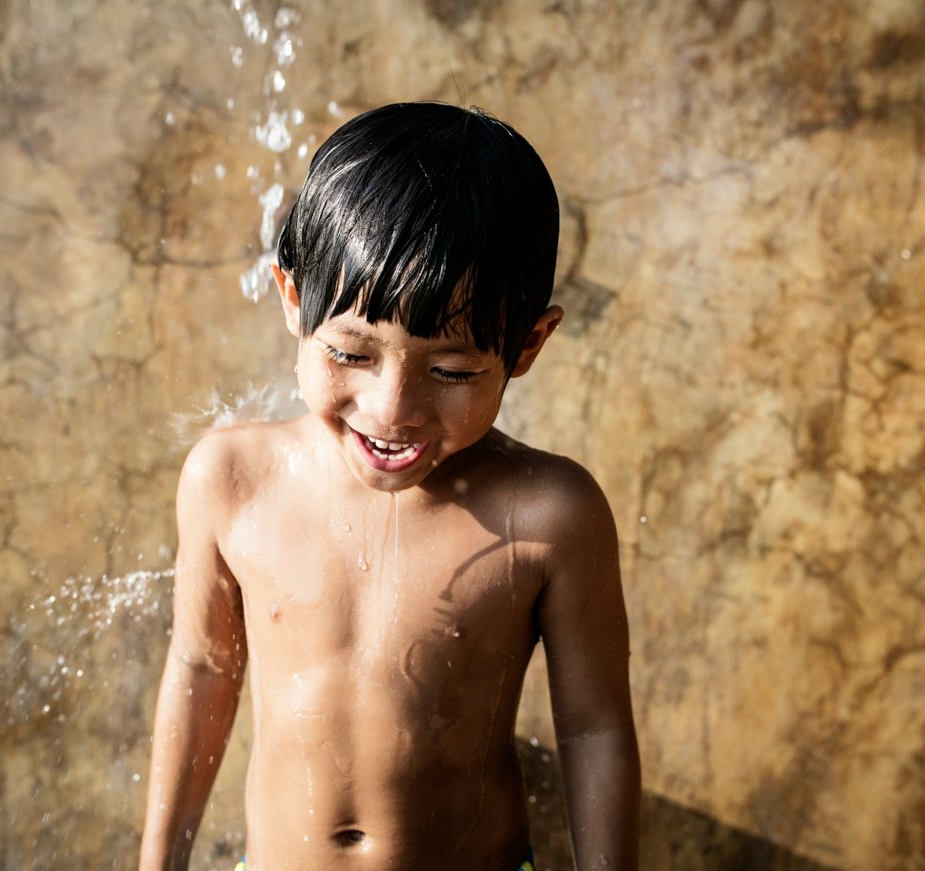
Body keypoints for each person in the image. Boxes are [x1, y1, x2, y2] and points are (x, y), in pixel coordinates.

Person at [138, 102, 639, 871]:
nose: (393, 410)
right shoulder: (232, 480)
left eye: (451, 371)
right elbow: (203, 669)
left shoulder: (548, 516)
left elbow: (595, 727)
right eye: (350, 353)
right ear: (292, 299)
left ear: (528, 343)